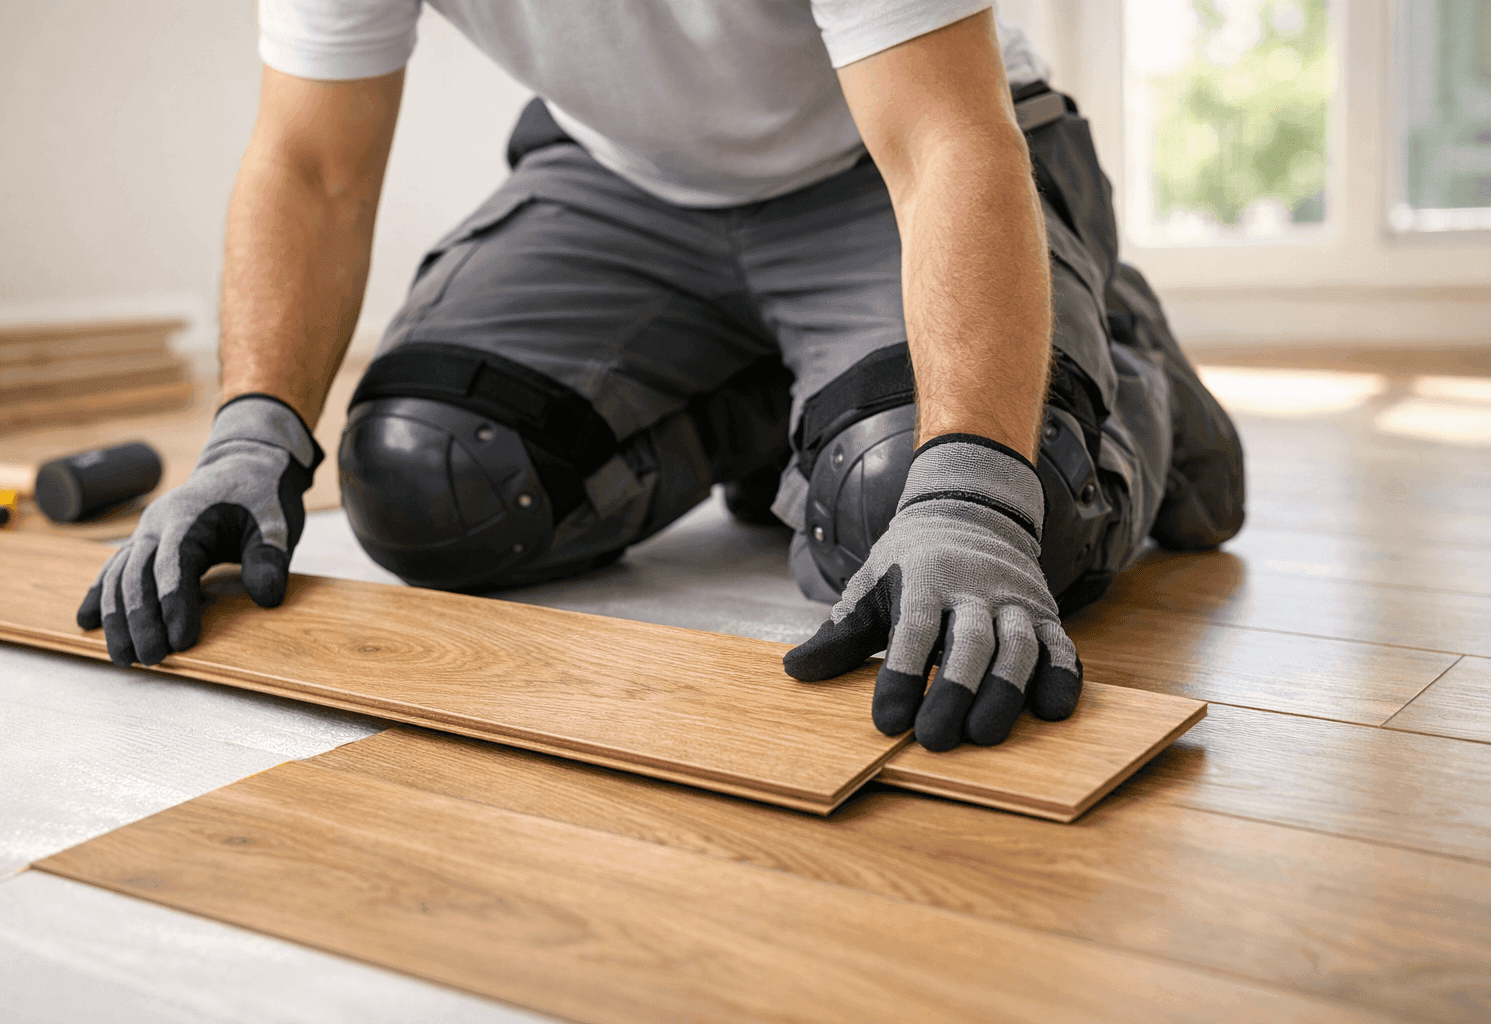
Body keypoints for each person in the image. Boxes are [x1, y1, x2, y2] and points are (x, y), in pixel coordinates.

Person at [76, 1, 1245, 752]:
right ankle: (793, 400)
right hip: (628, 186)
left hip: (898, 158)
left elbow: (943, 141)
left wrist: (981, 488)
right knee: (433, 476)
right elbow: (312, 162)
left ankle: (1115, 367)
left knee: (936, 512)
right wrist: (249, 433)